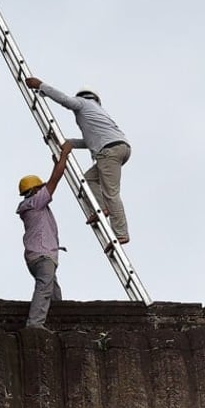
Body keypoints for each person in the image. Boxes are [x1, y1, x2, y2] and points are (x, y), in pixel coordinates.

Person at [24, 77, 133, 243]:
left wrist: (41, 85)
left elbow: (65, 100)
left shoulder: (82, 103)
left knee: (111, 192)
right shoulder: (97, 112)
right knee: (88, 180)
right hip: (118, 148)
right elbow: (89, 142)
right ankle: (102, 208)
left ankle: (121, 233)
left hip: (108, 151)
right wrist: (67, 143)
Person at [17, 141, 73, 330]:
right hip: (42, 255)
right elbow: (54, 181)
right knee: (44, 287)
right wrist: (63, 158)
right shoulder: (35, 202)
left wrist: (56, 163)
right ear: (33, 191)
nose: (43, 189)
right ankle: (35, 324)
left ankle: (58, 324)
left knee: (54, 291)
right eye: (39, 187)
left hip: (40, 255)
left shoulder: (33, 205)